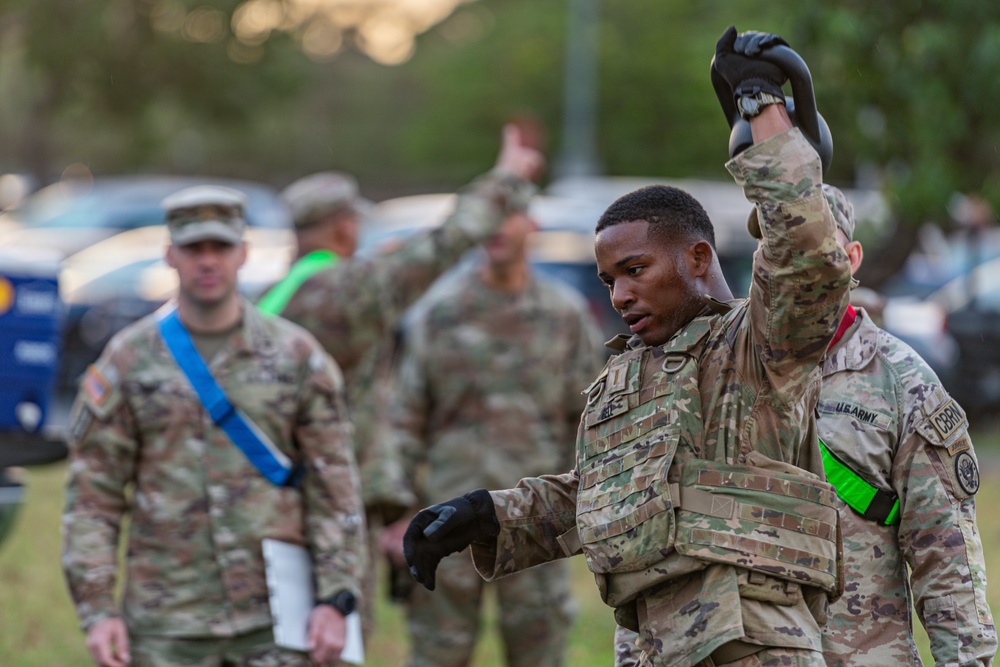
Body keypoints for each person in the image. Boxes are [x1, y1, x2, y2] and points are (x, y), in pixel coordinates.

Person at [404, 26, 852, 667]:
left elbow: (806, 250)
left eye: (635, 270)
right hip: (650, 645)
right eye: (609, 280)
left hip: (749, 642)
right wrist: (486, 515)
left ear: (698, 257)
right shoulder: (628, 375)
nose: (618, 296)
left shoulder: (760, 342)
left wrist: (762, 107)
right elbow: (603, 496)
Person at [61, 185, 367, 667]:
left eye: (220, 247)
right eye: (194, 248)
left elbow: (335, 488)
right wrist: (97, 609)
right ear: (169, 255)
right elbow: (93, 496)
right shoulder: (128, 361)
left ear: (243, 253)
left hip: (275, 621)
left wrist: (335, 598)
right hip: (168, 623)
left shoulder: (296, 357)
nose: (208, 261)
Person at [257, 124, 544, 634]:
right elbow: (448, 240)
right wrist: (507, 176)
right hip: (326, 504)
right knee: (331, 640)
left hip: (267, 499)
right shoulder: (346, 294)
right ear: (345, 228)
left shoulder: (277, 298)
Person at [382, 193, 606, 667]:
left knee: (539, 655)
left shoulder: (563, 315)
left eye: (509, 214)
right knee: (436, 655)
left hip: (536, 522)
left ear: (533, 224)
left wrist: (586, 508)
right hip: (445, 517)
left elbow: (589, 420)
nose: (498, 228)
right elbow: (404, 419)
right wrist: (397, 513)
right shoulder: (439, 313)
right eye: (490, 215)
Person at [811, 185, 995, 665]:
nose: (792, 261)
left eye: (811, 244)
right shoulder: (729, 367)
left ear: (851, 257)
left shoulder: (903, 381)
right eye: (775, 244)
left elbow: (946, 558)